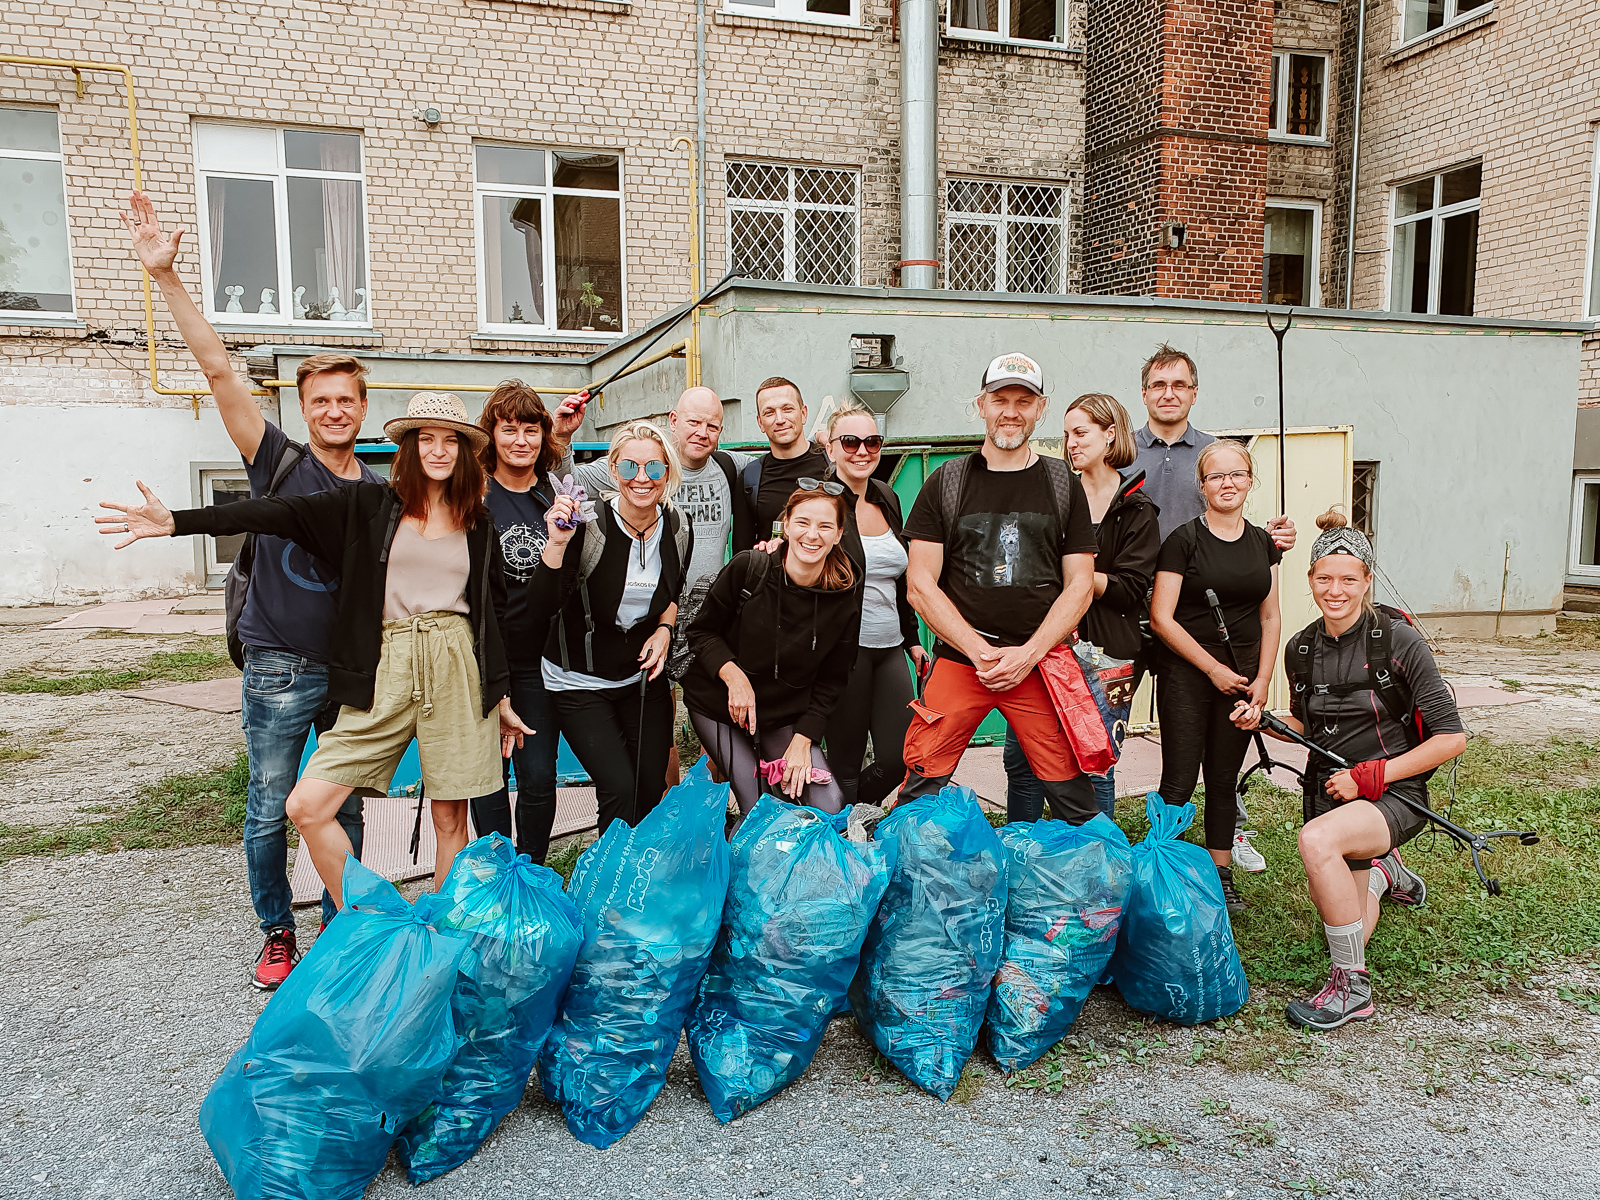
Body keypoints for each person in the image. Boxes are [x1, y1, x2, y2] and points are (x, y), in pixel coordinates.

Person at [99, 392, 533, 911]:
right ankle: (373, 918)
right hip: (386, 663)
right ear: (409, 448)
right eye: (426, 439)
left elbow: (492, 613)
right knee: (306, 805)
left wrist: (500, 693)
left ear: (464, 452)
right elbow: (276, 512)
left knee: (450, 818)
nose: (438, 451)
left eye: (451, 441)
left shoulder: (478, 522)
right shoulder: (368, 504)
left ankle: (439, 945)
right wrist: (178, 522)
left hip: (456, 661)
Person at [119, 189, 377, 990]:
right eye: (320, 401)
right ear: (303, 409)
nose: (334, 410)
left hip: (346, 674)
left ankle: (341, 922)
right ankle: (276, 932)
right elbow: (218, 367)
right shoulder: (280, 463)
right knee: (270, 805)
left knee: (349, 803)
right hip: (276, 667)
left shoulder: (378, 487)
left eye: (347, 399)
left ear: (365, 409)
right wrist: (167, 281)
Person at [1233, 510, 1464, 1030]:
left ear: (1366, 582)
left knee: (1317, 843)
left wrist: (1373, 776)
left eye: (1348, 579)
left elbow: (1451, 738)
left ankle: (1352, 989)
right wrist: (1264, 720)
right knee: (1344, 920)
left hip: (1393, 795)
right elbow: (1307, 723)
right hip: (1329, 792)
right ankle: (1385, 874)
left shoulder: (1398, 641)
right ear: (1311, 580)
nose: (1335, 590)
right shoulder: (1302, 647)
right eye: (1324, 578)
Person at [899, 352, 1101, 822]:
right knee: (921, 780)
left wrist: (1025, 655)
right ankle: (902, 877)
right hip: (961, 662)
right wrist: (979, 652)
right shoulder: (946, 482)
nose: (1011, 410)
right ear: (981, 405)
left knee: (1070, 789)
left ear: (1041, 409)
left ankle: (1097, 887)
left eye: (1023, 401)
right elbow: (920, 584)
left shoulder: (1062, 484)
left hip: (1039, 664)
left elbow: (1080, 586)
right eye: (1000, 399)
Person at [1131, 342, 1296, 873]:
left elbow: (1267, 604)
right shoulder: (1123, 451)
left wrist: (1271, 541)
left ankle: (1222, 856)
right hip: (1138, 613)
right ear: (1144, 393)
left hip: (1215, 622)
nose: (1169, 393)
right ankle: (1124, 845)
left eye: (1179, 384)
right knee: (1118, 737)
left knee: (1222, 768)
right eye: (1159, 384)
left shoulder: (1214, 450)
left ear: (1194, 392)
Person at [1004, 393, 1159, 820]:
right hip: (1045, 645)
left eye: (1081, 433)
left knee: (1095, 763)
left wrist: (1074, 577)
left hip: (1105, 650)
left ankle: (1099, 867)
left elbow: (1131, 588)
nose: (1070, 443)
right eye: (1066, 434)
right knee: (1023, 761)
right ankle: (1026, 852)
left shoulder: (1137, 508)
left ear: (1110, 435)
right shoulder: (1052, 497)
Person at [533, 421, 692, 833]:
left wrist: (665, 630)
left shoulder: (678, 526)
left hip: (640, 677)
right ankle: (609, 891)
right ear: (613, 470)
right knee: (619, 789)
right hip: (578, 680)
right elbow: (543, 605)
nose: (642, 479)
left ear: (668, 473)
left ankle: (635, 882)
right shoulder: (588, 524)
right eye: (630, 468)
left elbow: (672, 593)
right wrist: (556, 543)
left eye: (654, 469)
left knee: (648, 786)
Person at [1148, 439, 1282, 911]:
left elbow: (1270, 618)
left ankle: (1220, 873)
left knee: (1224, 779)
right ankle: (1164, 870)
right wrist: (1212, 669)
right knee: (1180, 779)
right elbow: (1162, 618)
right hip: (1188, 672)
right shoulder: (1183, 540)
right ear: (1202, 485)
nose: (1228, 483)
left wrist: (1262, 681)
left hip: (1243, 677)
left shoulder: (1263, 543)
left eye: (1237, 474)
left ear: (1250, 480)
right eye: (1216, 476)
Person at [682, 487, 861, 815]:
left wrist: (804, 738)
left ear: (838, 535)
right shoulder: (750, 569)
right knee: (760, 808)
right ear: (786, 526)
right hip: (719, 706)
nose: (812, 535)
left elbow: (834, 678)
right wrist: (734, 676)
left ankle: (806, 863)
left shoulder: (844, 594)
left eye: (824, 526)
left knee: (829, 803)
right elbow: (701, 631)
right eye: (803, 522)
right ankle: (746, 858)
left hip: (782, 715)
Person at [470, 382, 567, 864]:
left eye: (531, 430)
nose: (521, 440)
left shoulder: (554, 495)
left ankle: (530, 870)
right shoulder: (475, 496)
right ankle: (495, 871)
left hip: (539, 661)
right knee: (487, 777)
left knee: (537, 775)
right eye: (509, 429)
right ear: (492, 434)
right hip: (484, 658)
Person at [819, 402, 928, 807]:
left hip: (890, 647)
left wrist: (913, 637)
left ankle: (843, 817)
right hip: (844, 651)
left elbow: (902, 578)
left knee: (898, 758)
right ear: (831, 449)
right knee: (845, 762)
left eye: (872, 441)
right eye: (850, 441)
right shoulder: (822, 503)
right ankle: (842, 847)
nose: (862, 450)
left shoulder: (886, 497)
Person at [737, 377, 831, 547]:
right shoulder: (750, 479)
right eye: (769, 412)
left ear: (803, 414)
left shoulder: (832, 465)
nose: (780, 419)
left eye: (787, 409)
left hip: (830, 572)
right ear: (760, 423)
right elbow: (743, 552)